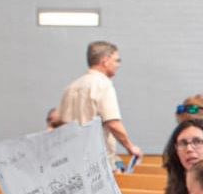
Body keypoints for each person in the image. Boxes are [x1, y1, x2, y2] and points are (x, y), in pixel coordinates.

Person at [57, 40, 141, 171]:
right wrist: (130, 146)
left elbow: (59, 123)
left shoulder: (71, 87)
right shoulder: (103, 84)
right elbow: (113, 122)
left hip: (71, 161)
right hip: (96, 163)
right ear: (105, 61)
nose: (118, 65)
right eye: (116, 60)